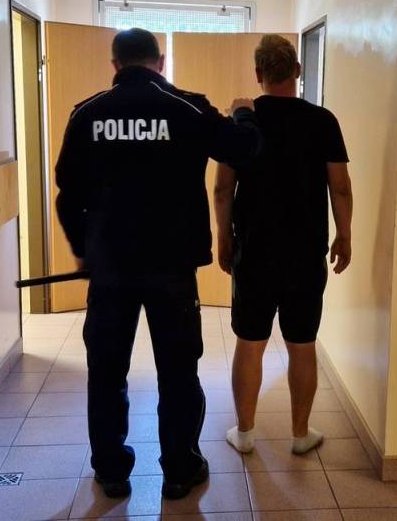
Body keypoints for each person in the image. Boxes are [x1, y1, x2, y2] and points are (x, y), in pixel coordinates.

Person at [55, 28, 260, 500]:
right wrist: (244, 112)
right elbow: (245, 149)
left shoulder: (88, 113)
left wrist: (84, 250)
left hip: (110, 269)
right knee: (178, 370)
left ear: (115, 65)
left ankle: (111, 470)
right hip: (172, 268)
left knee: (107, 371)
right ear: (161, 61)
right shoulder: (187, 108)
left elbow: (68, 193)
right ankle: (180, 470)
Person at [214, 34, 353, 455]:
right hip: (305, 253)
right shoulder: (323, 121)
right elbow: (340, 187)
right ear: (297, 70)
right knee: (302, 343)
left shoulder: (241, 121)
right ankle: (300, 434)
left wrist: (223, 237)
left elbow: (222, 189)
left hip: (254, 251)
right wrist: (344, 234)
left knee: (250, 342)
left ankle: (245, 434)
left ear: (258, 74)